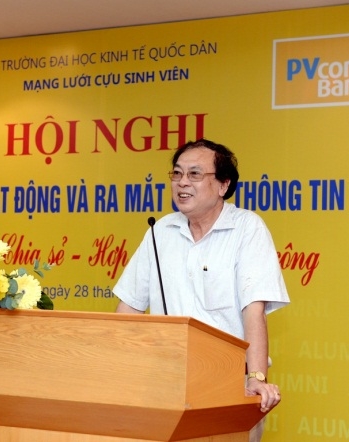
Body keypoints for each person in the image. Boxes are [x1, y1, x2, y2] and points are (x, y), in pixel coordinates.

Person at [113, 138, 290, 442]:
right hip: (165, 384)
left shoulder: (247, 228)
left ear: (223, 185)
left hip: (226, 384)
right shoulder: (160, 231)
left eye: (195, 174)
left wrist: (256, 378)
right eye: (177, 173)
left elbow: (254, 310)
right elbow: (129, 308)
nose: (182, 182)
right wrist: (114, 370)